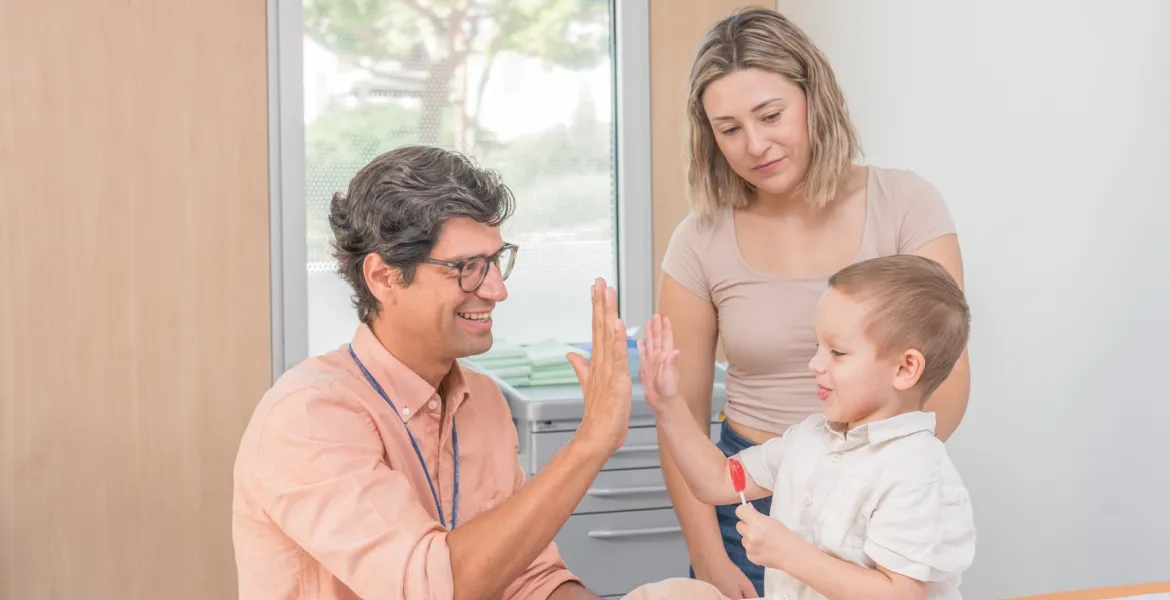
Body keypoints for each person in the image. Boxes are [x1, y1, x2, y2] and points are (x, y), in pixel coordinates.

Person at [657, 8, 971, 596]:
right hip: (746, 495)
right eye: (728, 129)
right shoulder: (697, 241)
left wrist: (866, 479)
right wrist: (711, 556)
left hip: (873, 494)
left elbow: (945, 379)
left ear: (813, 97)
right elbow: (685, 417)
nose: (755, 145)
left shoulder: (905, 204)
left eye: (771, 115)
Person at [231, 145, 633, 600]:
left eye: (495, 262)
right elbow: (430, 588)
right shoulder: (307, 417)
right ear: (383, 277)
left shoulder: (482, 399)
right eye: (466, 268)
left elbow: (528, 579)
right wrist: (591, 443)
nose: (497, 290)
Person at [635, 254, 977, 600]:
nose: (815, 364)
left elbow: (899, 595)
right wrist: (669, 406)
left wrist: (789, 555)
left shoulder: (916, 470)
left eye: (837, 352)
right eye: (818, 346)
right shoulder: (810, 438)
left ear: (905, 369)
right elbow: (717, 480)